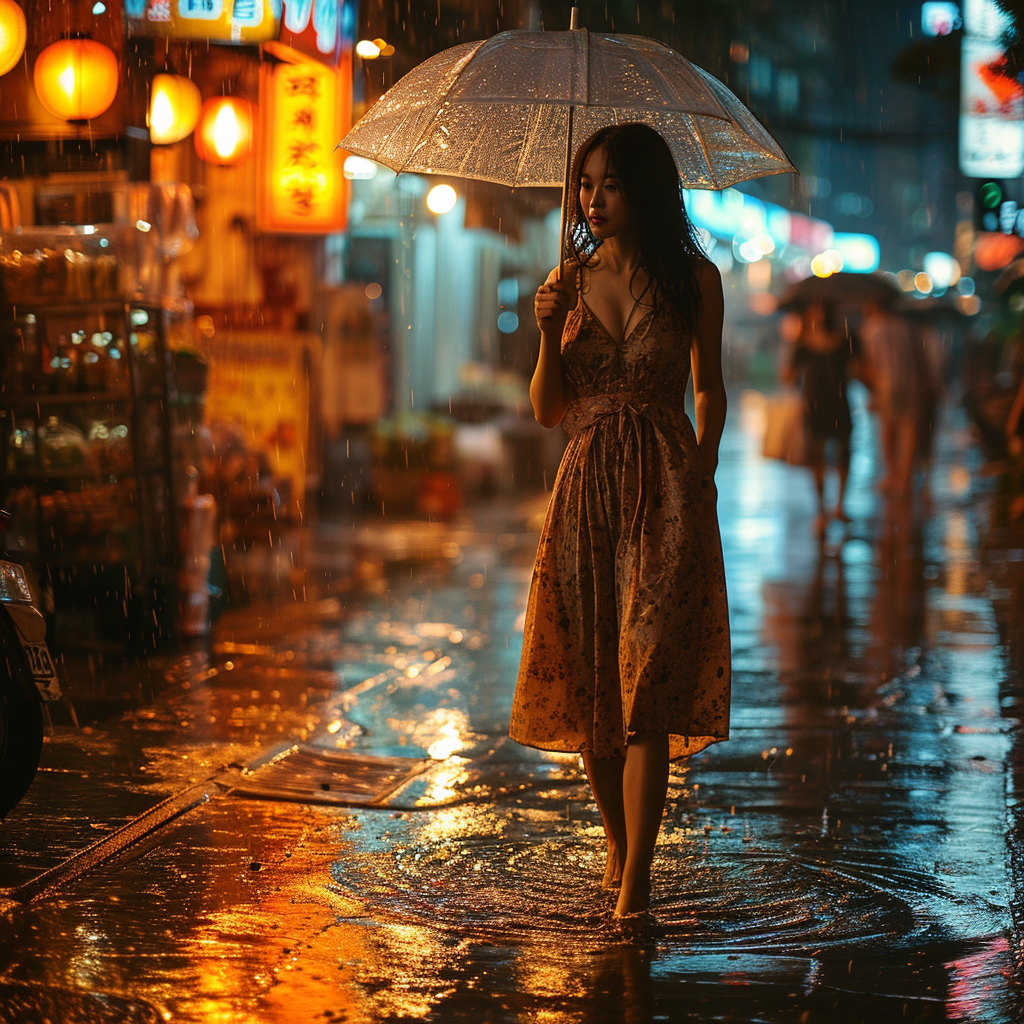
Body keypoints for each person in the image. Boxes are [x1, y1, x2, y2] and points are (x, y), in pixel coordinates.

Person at [509, 123, 730, 926]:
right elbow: (547, 410)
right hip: (586, 488)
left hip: (667, 489)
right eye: (584, 184)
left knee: (646, 688)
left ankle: (637, 880)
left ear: (647, 188)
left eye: (609, 184)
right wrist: (544, 329)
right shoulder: (564, 281)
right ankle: (618, 840)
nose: (591, 201)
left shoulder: (695, 280)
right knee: (595, 681)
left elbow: (710, 386)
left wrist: (703, 463)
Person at [782, 301, 860, 536]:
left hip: (825, 405)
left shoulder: (811, 343)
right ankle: (829, 508)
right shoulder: (832, 342)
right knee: (825, 457)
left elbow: (787, 377)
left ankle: (833, 507)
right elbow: (789, 377)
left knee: (835, 456)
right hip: (826, 405)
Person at [859, 300, 934, 498]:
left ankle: (892, 474)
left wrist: (871, 388)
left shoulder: (870, 328)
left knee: (888, 428)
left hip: (885, 383)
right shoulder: (906, 326)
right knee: (909, 427)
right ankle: (905, 479)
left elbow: (868, 362)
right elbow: (920, 357)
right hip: (910, 381)